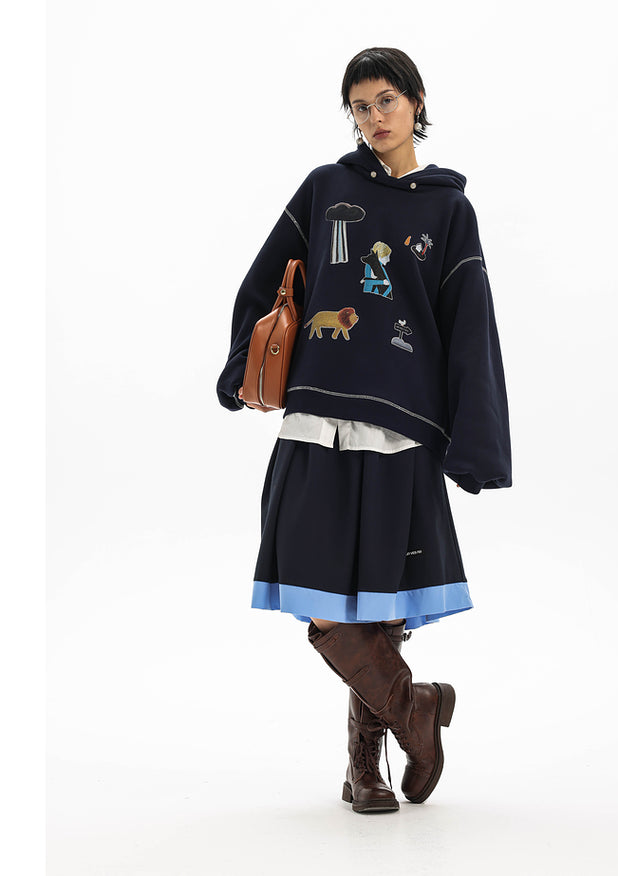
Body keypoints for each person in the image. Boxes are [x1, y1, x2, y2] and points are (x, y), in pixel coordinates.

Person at [216, 47, 512, 814]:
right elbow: (264, 282)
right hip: (315, 414)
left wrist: (476, 439)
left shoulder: (449, 211)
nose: (374, 117)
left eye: (386, 100)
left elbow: (468, 327)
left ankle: (365, 768)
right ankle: (417, 708)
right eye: (359, 106)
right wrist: (240, 366)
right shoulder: (326, 188)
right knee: (319, 598)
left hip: (400, 427)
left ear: (417, 101)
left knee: (378, 608)